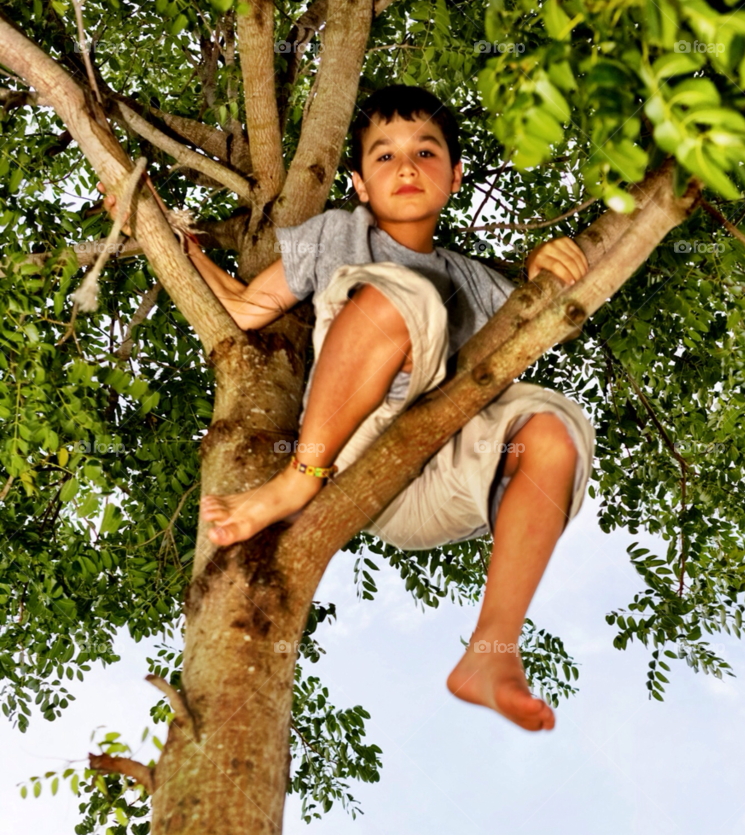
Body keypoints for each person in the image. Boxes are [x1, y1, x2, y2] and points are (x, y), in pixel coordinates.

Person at [104, 86, 595, 731]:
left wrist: (543, 264)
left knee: (557, 430)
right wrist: (172, 240)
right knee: (403, 296)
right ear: (361, 183)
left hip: (445, 478)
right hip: (357, 457)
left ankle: (492, 650)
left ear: (454, 177)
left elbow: (546, 315)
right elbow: (243, 310)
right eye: (385, 156)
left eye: (426, 152)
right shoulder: (340, 233)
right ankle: (297, 481)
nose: (407, 166)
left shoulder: (475, 279)